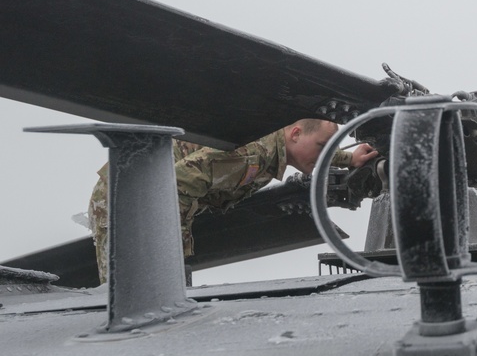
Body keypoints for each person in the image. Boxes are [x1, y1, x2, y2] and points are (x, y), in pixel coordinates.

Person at [88, 118, 377, 283]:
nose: (325, 155)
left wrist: (348, 158)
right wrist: (178, 252)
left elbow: (313, 151)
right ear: (295, 133)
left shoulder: (275, 147)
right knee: (126, 299)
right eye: (324, 148)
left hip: (143, 197)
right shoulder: (252, 155)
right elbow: (172, 186)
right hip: (125, 199)